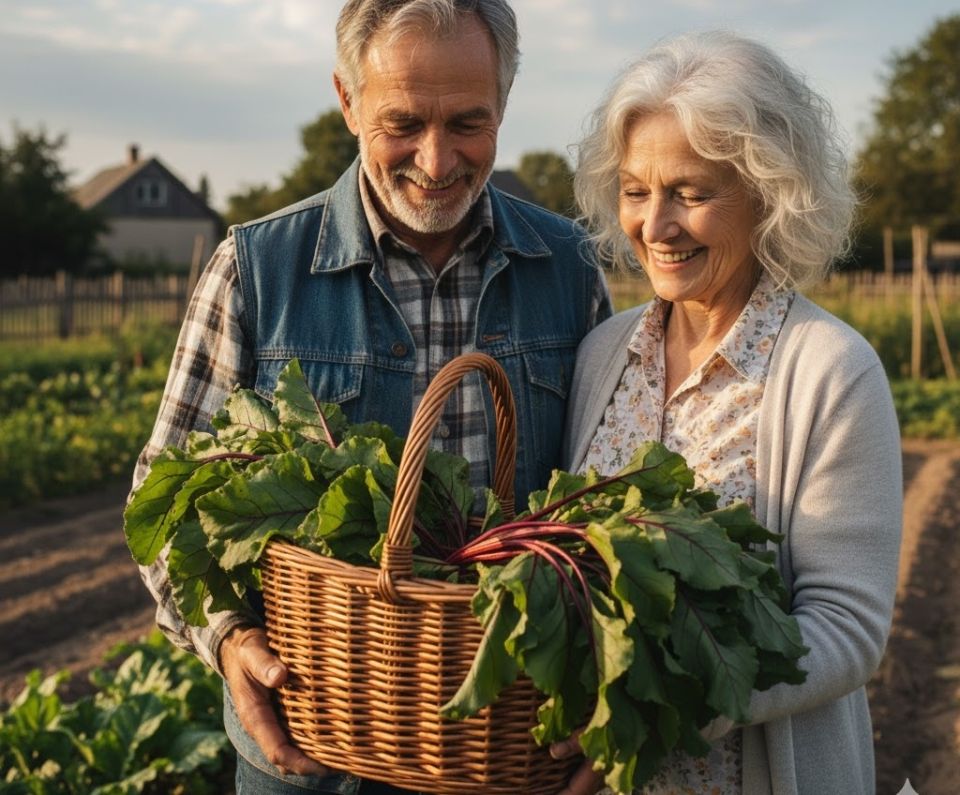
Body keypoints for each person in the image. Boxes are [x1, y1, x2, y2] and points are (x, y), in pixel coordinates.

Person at [128, 1, 611, 793]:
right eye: (403, 123)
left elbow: (604, 497)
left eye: (468, 122)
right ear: (348, 101)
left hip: (513, 746)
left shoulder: (569, 267)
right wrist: (228, 637)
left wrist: (613, 684)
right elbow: (161, 498)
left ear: (504, 100)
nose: (437, 159)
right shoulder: (254, 269)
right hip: (316, 752)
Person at [551, 30, 902, 795]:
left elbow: (847, 630)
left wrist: (656, 705)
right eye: (636, 191)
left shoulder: (831, 371)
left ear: (768, 193)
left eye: (690, 193)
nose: (655, 225)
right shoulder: (605, 352)